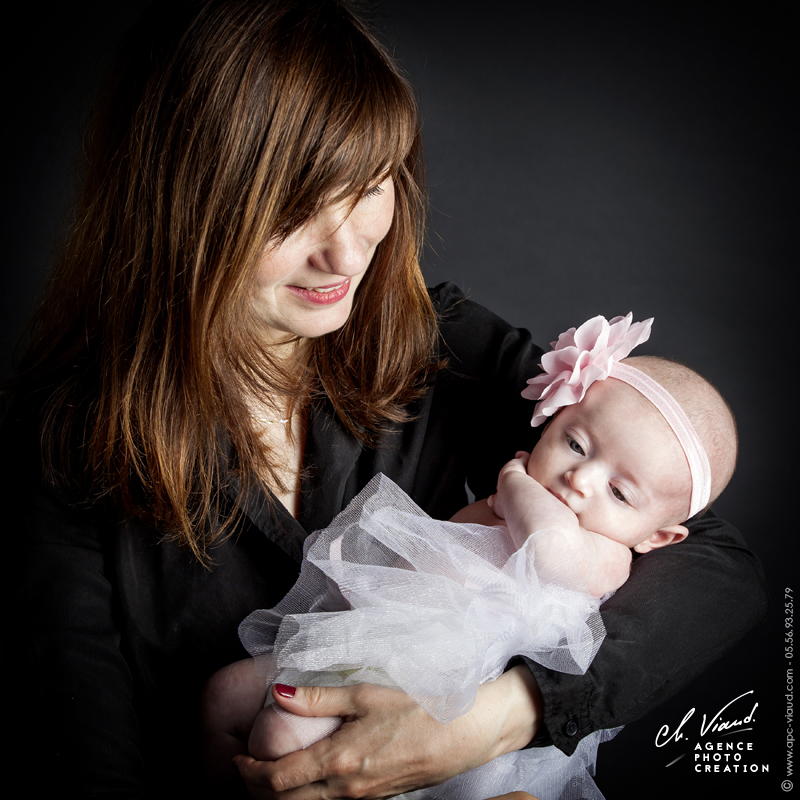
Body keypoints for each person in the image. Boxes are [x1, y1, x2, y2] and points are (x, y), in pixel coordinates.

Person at [1, 2, 765, 799]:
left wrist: (502, 716)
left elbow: (715, 567)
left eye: (368, 187)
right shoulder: (58, 443)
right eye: (292, 210)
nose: (346, 249)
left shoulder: (440, 342)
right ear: (180, 207)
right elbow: (86, 752)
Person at [201, 315, 737, 799]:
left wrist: (513, 481)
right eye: (576, 444)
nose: (580, 480)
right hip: (370, 637)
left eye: (620, 493)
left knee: (279, 735)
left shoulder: (601, 553)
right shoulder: (515, 504)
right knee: (224, 694)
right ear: (554, 416)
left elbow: (547, 551)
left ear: (657, 538)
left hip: (437, 691)